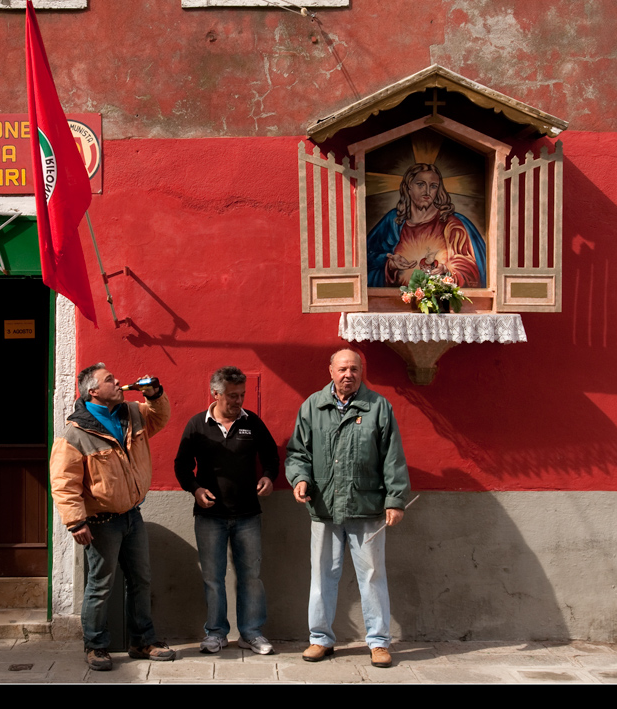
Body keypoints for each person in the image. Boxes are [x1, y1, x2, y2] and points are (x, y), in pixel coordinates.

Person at [285, 349, 410, 668]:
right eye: (342, 369)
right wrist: (300, 479)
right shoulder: (312, 406)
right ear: (330, 371)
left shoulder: (378, 407)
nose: (348, 374)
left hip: (366, 508)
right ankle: (319, 639)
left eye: (354, 369)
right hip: (324, 508)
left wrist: (395, 500)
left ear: (361, 372)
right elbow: (298, 453)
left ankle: (379, 642)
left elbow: (392, 457)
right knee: (322, 576)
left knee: (372, 576)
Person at [49, 363, 175, 671]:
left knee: (141, 580)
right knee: (100, 585)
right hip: (100, 522)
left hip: (133, 515)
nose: (118, 381)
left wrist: (155, 395)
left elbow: (160, 418)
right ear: (93, 391)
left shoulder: (131, 412)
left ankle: (142, 641)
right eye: (110, 380)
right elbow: (63, 481)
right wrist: (75, 521)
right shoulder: (75, 433)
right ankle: (96, 646)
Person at [174, 367, 280, 656]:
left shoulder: (252, 423)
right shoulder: (197, 424)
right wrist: (195, 489)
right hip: (209, 516)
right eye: (232, 395)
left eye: (242, 395)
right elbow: (181, 466)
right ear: (215, 393)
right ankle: (216, 633)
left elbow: (272, 457)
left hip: (248, 515)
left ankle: (251, 633)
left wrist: (269, 477)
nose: (238, 401)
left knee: (251, 576)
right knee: (213, 577)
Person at [366, 162, 486, 289]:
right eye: (420, 184)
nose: (427, 191)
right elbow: (367, 258)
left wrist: (446, 270)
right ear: (408, 187)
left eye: (433, 186)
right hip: (394, 302)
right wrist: (390, 264)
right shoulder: (394, 221)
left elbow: (468, 268)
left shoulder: (450, 223)